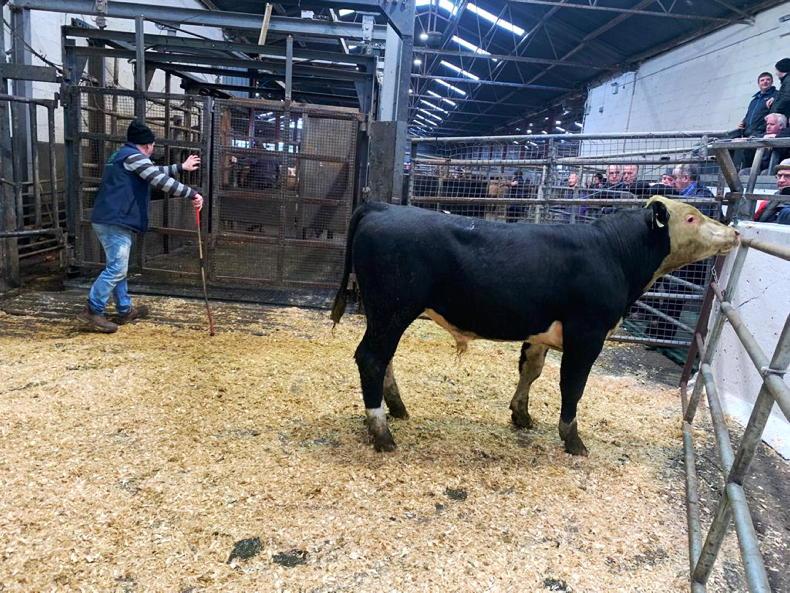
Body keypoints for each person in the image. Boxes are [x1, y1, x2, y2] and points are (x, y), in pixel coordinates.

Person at [77, 120, 204, 333]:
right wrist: (192, 193)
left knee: (118, 266)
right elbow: (156, 178)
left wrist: (179, 167)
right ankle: (92, 309)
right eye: (153, 146)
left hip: (110, 218)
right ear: (147, 146)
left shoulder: (122, 155)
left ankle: (124, 309)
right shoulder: (134, 157)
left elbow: (150, 170)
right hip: (115, 220)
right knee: (117, 268)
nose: (153, 150)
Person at [753, 158, 790, 224]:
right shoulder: (771, 200)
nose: (781, 180)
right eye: (779, 176)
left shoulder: (786, 211)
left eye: (788, 176)